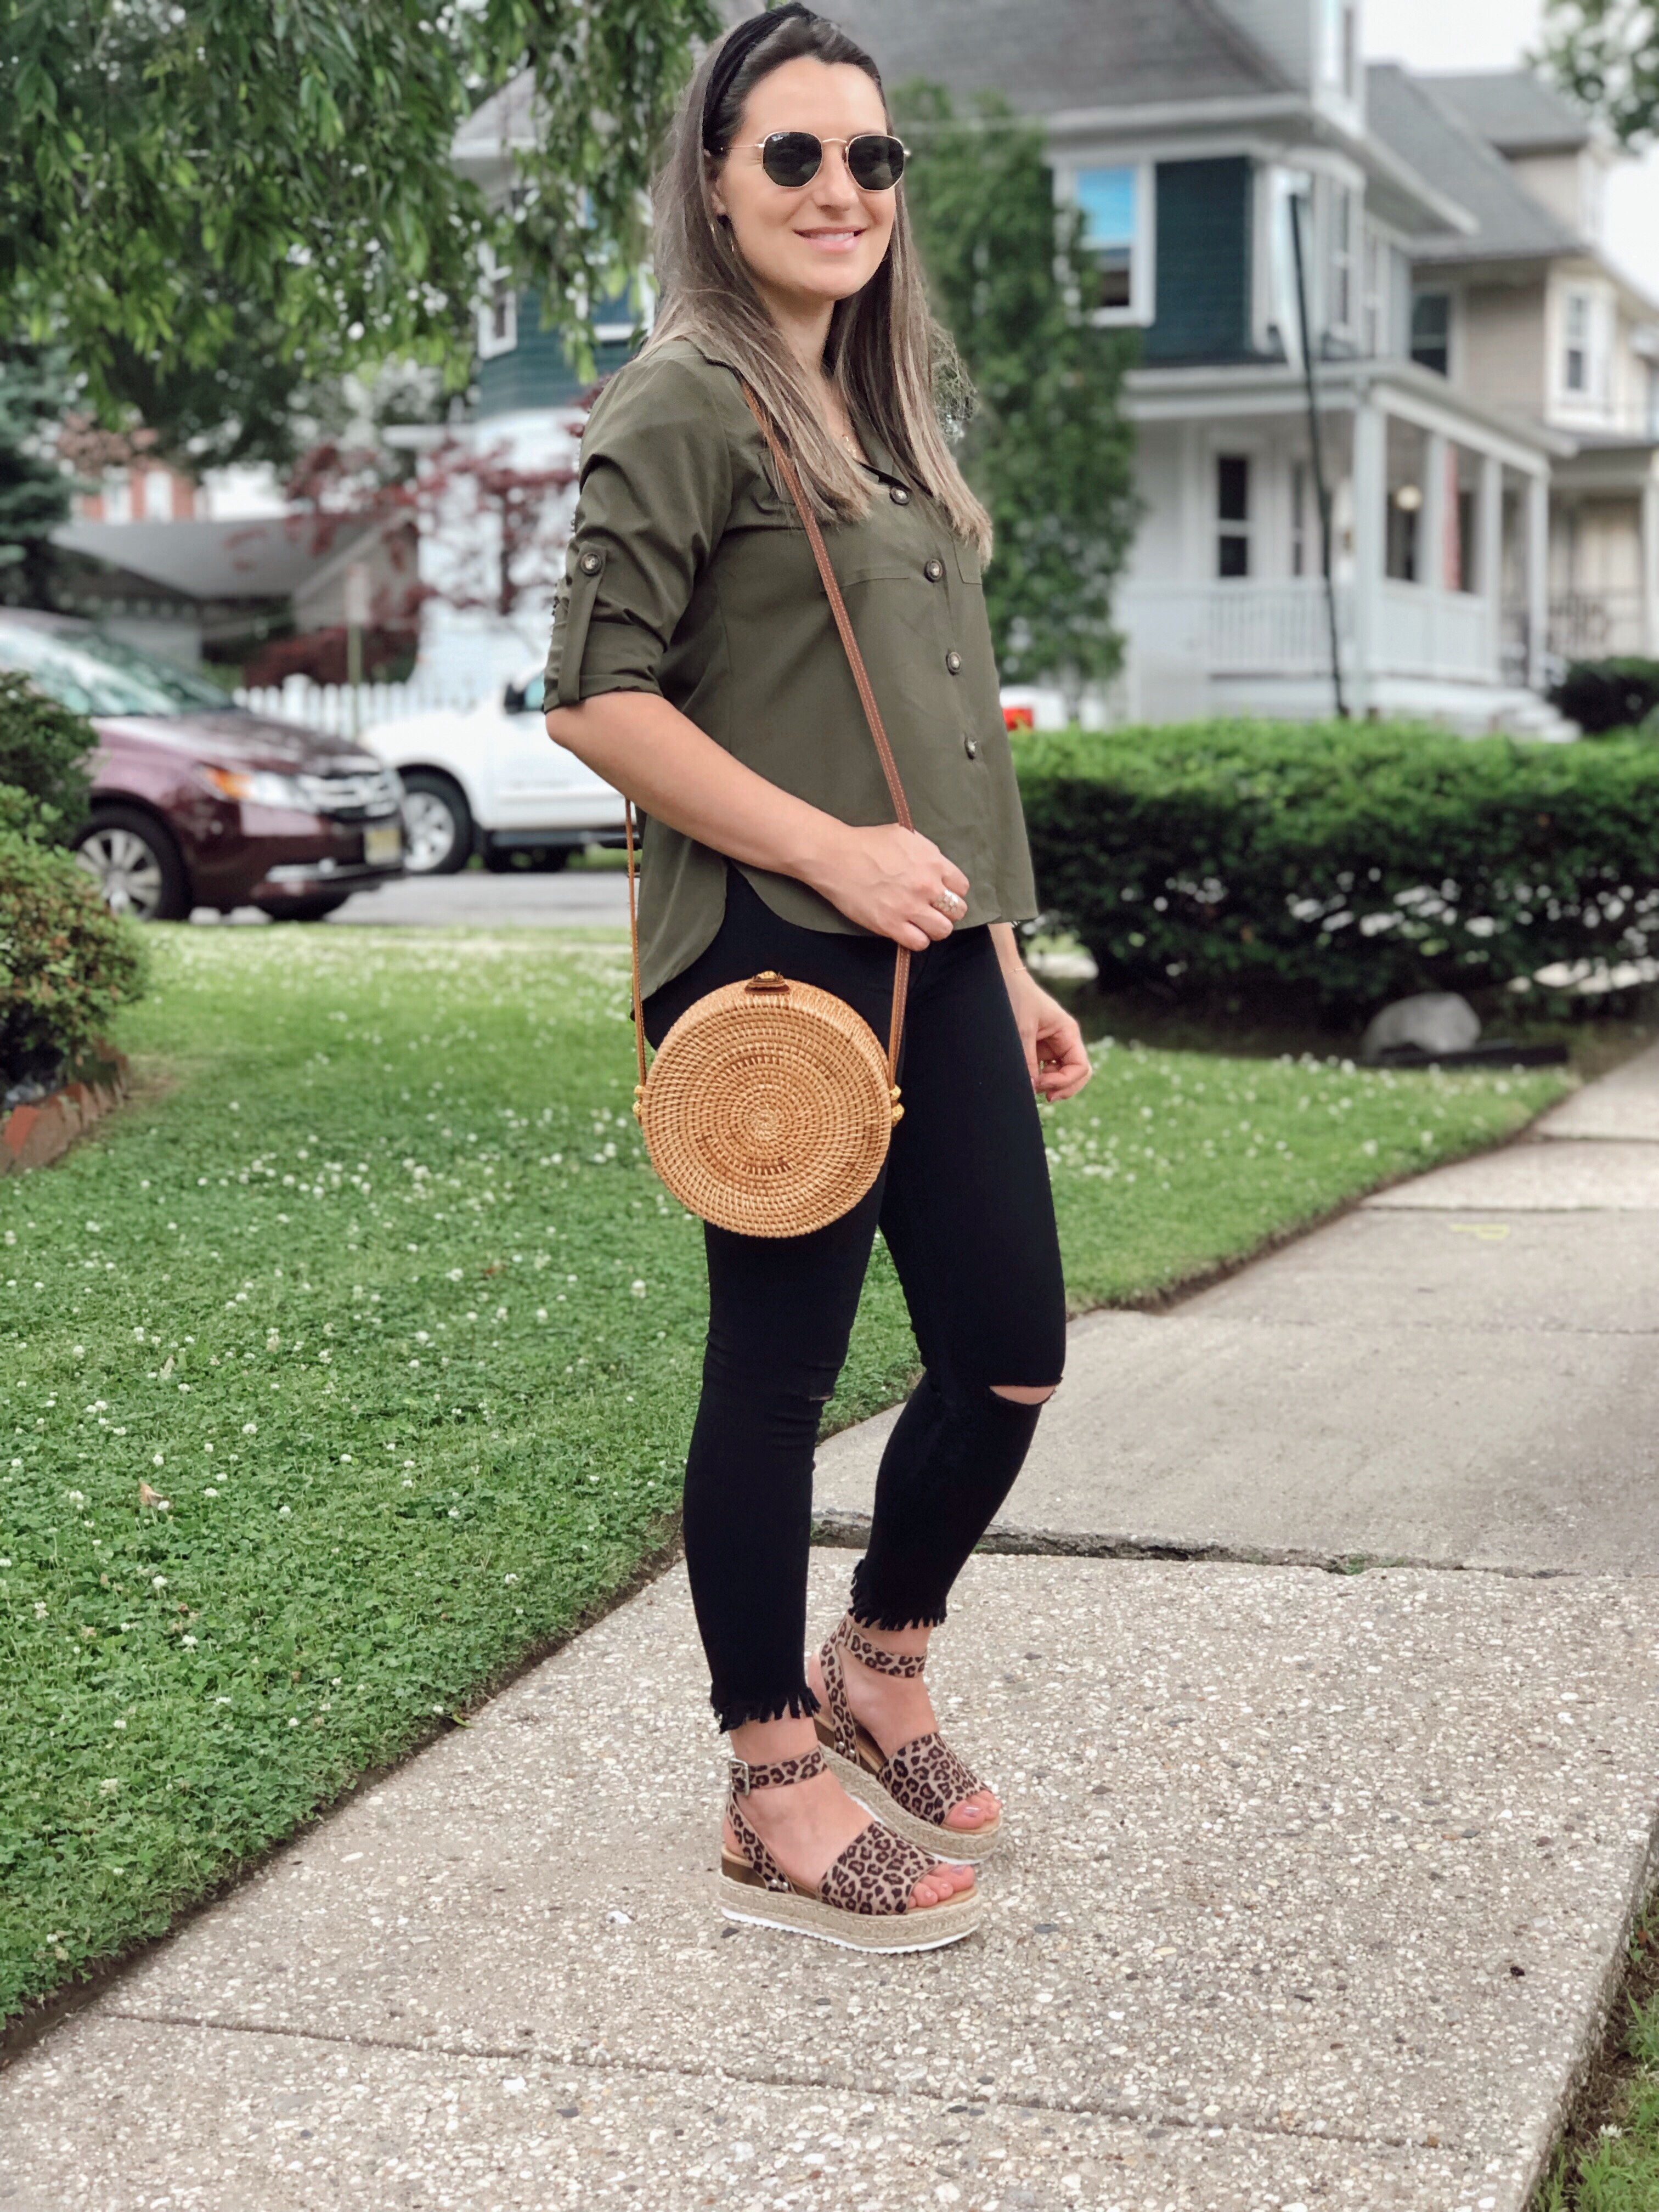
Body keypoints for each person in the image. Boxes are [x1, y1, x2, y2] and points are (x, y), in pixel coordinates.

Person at [545, 3, 1091, 1951]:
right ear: (716, 181)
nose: (842, 187)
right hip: (780, 957)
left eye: (873, 157)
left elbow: (936, 740)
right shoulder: (682, 401)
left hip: (933, 949)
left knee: (1011, 1349)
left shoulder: (882, 411)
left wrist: (1004, 956)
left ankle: (881, 1660)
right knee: (776, 1375)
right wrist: (829, 853)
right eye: (794, 153)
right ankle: (770, 1774)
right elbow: (594, 701)